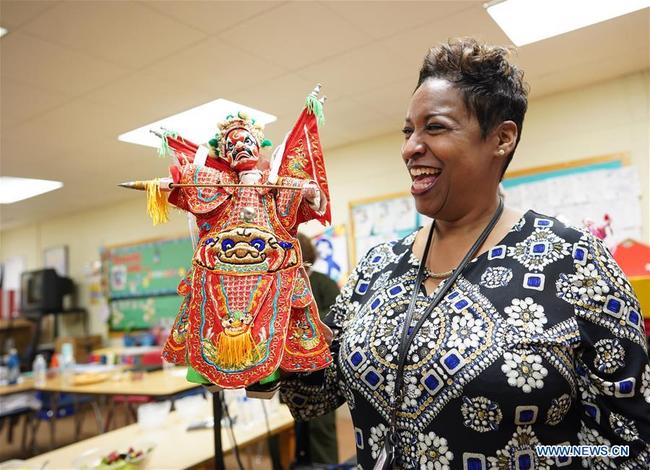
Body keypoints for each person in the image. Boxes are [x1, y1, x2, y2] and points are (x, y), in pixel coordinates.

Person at [280, 38, 650, 469]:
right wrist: (262, 333)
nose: (410, 147)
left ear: (501, 139)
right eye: (408, 131)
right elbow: (315, 395)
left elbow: (628, 445)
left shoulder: (574, 261)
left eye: (434, 127)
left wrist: (532, 456)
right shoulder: (377, 268)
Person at [294, 233, 340, 466]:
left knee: (321, 430)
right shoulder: (286, 288)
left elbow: (336, 325)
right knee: (300, 434)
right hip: (295, 374)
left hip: (322, 372)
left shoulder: (324, 284)